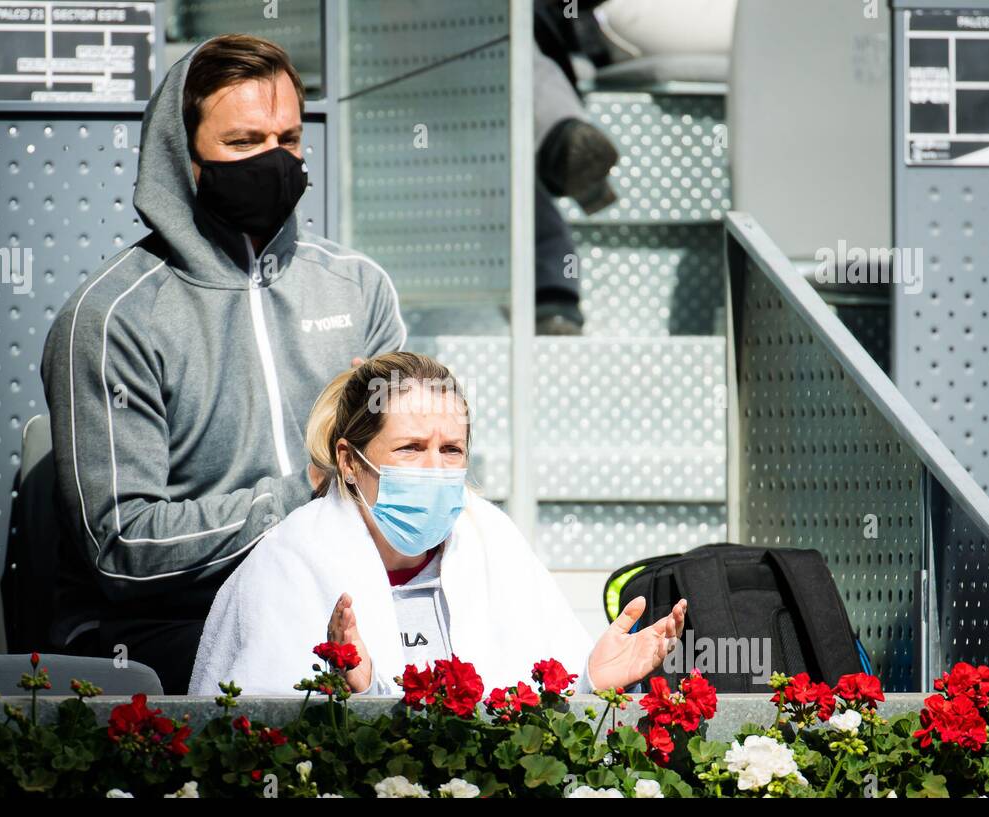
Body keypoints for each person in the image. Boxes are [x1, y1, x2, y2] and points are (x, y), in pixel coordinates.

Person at [41, 34, 406, 693]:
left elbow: (400, 479)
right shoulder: (111, 315)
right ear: (183, 157)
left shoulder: (358, 288)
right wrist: (307, 493)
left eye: (288, 140)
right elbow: (123, 546)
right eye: (243, 143)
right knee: (301, 671)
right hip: (166, 624)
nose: (273, 160)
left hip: (343, 600)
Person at [188, 352, 686, 697]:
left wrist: (587, 681)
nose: (434, 469)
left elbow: (538, 725)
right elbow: (256, 735)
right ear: (349, 460)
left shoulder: (496, 544)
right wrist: (353, 692)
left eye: (451, 450)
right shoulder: (289, 562)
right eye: (410, 448)